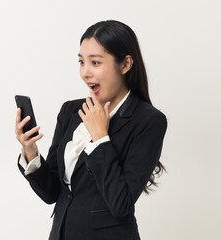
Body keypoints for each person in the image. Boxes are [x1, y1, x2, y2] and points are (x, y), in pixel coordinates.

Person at [14, 20, 167, 240]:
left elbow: (121, 204)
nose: (85, 72)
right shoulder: (70, 111)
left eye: (95, 63)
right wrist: (30, 151)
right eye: (81, 62)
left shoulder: (148, 121)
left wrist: (100, 138)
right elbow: (51, 193)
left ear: (125, 65)